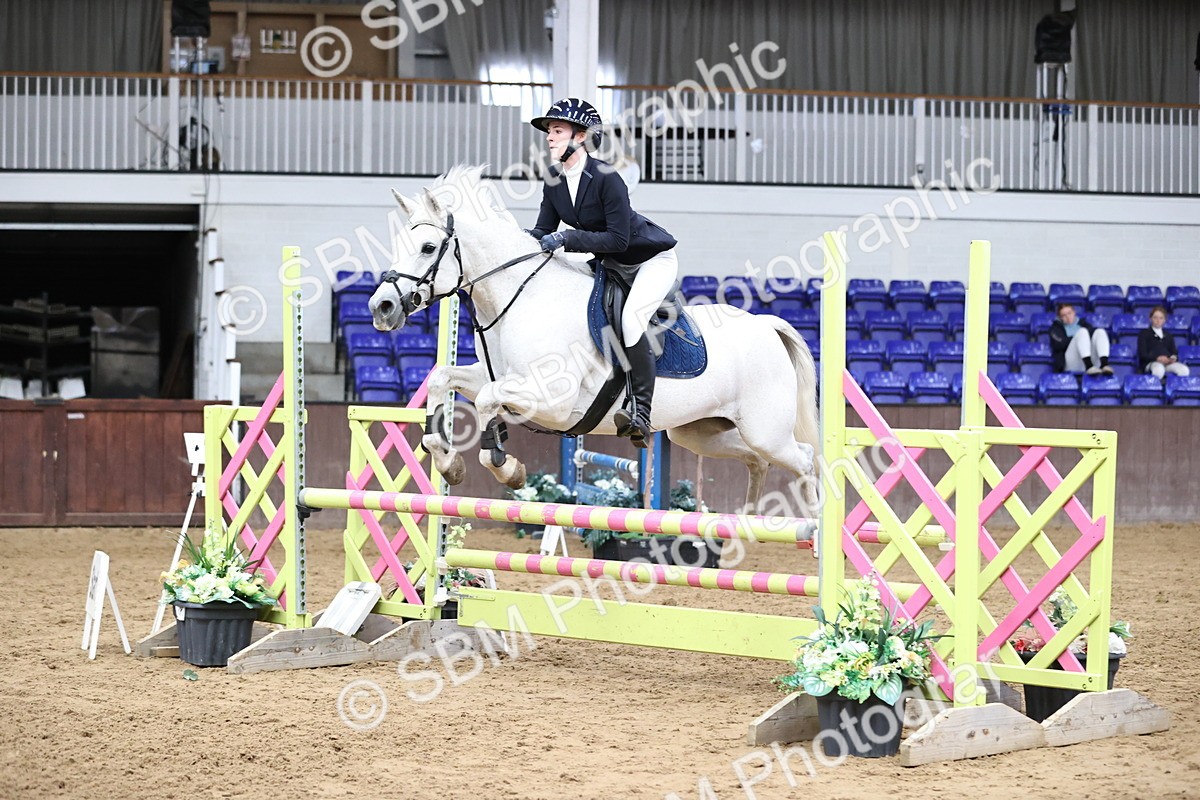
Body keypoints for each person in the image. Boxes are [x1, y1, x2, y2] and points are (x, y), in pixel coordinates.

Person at [526, 98, 678, 448]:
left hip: (648, 260)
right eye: (549, 131)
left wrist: (566, 237)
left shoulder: (608, 178)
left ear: (581, 137)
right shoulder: (554, 178)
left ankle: (641, 411)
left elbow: (618, 237)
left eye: (558, 131)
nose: (549, 138)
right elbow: (543, 229)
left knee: (630, 321)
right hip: (608, 261)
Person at [1049, 303, 1112, 375]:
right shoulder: (1055, 328)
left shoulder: (1083, 324)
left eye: (1069, 313)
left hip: (1090, 357)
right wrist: (1076, 338)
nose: (1068, 317)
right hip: (1072, 362)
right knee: (1082, 332)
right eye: (1064, 315)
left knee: (1100, 331)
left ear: (1074, 312)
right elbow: (1059, 344)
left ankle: (1104, 364)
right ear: (1060, 318)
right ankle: (1089, 366)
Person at [1137, 305, 1190, 379]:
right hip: (1151, 363)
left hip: (1167, 364)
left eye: (1161, 318)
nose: (1158, 320)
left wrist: (1172, 358)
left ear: (1164, 320)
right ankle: (1156, 389)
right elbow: (1142, 354)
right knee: (1159, 369)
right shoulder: (1143, 334)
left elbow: (1174, 352)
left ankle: (1173, 389)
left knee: (1184, 370)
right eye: (1155, 317)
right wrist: (1157, 358)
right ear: (1150, 319)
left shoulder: (1168, 335)